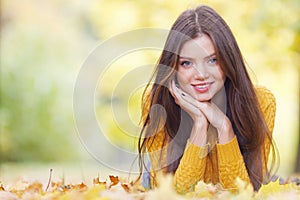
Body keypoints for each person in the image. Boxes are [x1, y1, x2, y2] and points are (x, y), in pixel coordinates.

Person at [137, 5, 278, 194]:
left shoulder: (261, 102)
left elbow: (242, 194)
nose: (201, 74)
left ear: (229, 60)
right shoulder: (156, 103)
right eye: (187, 63)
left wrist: (224, 127)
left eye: (213, 60)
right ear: (173, 67)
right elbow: (173, 196)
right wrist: (200, 125)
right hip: (163, 180)